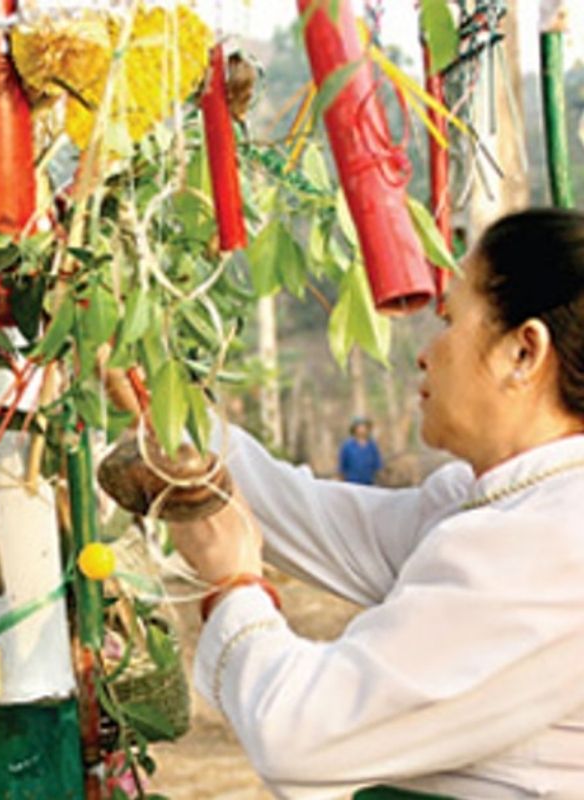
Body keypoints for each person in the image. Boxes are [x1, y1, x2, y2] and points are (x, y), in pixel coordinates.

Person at [159, 209, 584, 798]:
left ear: (523, 352)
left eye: (449, 320)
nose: (426, 353)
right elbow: (302, 514)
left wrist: (234, 584)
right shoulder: (503, 503)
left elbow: (301, 735)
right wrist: (159, 404)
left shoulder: (550, 542)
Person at [338, 415, 382, 485]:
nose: (362, 429)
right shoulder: (347, 446)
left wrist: (378, 479)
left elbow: (377, 464)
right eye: (359, 427)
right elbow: (342, 467)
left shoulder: (372, 446)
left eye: (364, 427)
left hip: (368, 482)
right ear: (354, 428)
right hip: (352, 482)